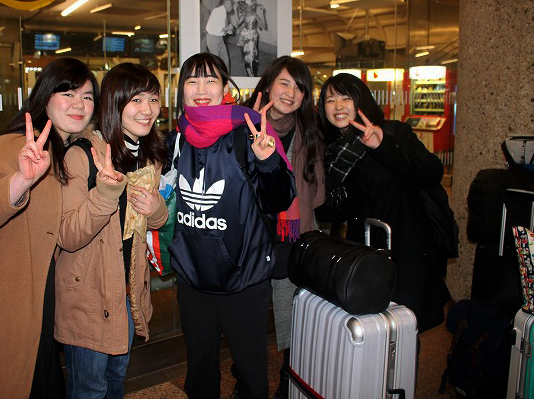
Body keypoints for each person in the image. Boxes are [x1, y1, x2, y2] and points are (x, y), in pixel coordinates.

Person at [0, 57, 99, 398]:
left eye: (87, 96)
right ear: (44, 98)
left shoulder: (63, 150)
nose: (79, 104)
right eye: (68, 93)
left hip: (32, 301)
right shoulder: (12, 146)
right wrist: (20, 181)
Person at [169, 52, 295, 399]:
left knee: (252, 371)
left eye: (210, 80)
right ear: (181, 90)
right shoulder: (176, 139)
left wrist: (268, 162)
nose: (201, 89)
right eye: (192, 81)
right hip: (193, 278)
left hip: (244, 279)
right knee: (199, 369)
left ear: (225, 86)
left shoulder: (248, 133)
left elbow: (278, 201)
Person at [55, 63, 168, 398]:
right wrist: (104, 193)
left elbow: (155, 221)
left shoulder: (148, 156)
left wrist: (156, 208)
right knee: (90, 389)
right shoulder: (82, 155)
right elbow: (68, 235)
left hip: (126, 293)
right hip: (88, 297)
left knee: (116, 381)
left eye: (153, 99)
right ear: (114, 104)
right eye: (136, 100)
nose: (147, 110)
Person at [316, 73, 450, 334]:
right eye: (330, 100)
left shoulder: (392, 132)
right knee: (371, 331)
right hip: (363, 253)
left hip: (405, 250)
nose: (338, 106)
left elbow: (431, 172)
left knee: (406, 330)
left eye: (346, 98)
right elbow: (331, 210)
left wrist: (383, 147)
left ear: (360, 101)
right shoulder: (329, 149)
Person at [243, 56, 325, 399]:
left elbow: (315, 194)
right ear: (268, 85)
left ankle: (288, 381)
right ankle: (246, 380)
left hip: (293, 236)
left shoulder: (309, 133)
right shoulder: (243, 124)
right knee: (247, 319)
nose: (291, 92)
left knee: (293, 315)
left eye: (299, 87)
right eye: (285, 83)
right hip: (250, 239)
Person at [236, 0, 268, 77]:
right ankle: (250, 73)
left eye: (250, 6)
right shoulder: (244, 14)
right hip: (246, 35)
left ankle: (252, 74)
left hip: (252, 37)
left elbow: (264, 26)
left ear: (253, 6)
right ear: (245, 6)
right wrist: (236, 11)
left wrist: (262, 13)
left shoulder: (254, 15)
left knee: (252, 55)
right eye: (247, 6)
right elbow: (238, 23)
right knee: (247, 55)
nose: (248, 8)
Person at [205, 0, 235, 72]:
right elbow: (217, 29)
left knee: (225, 60)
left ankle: (226, 77)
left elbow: (221, 29)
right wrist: (228, 28)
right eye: (231, 4)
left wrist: (228, 30)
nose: (232, 7)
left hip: (219, 39)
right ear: (226, 3)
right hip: (213, 39)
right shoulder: (219, 12)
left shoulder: (222, 11)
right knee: (215, 63)